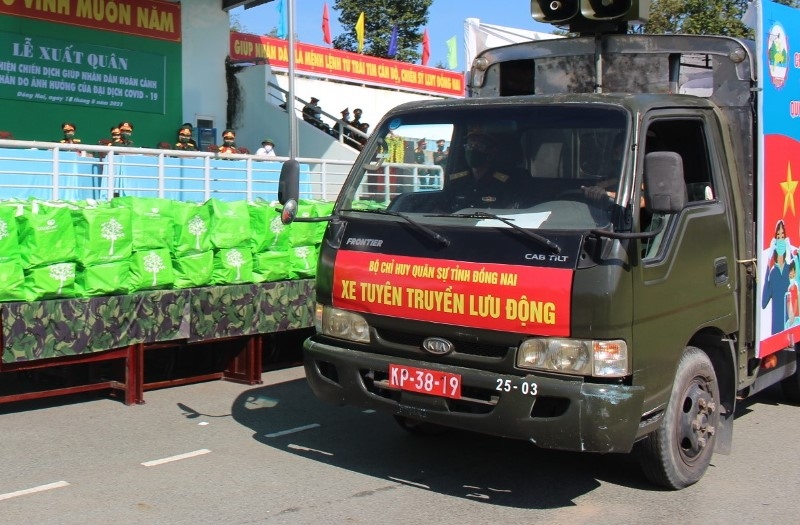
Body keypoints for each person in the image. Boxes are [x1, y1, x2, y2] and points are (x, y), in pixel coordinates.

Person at [444, 132, 526, 210]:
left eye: (478, 146)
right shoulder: (457, 181)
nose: (472, 150)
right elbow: (443, 209)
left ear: (490, 153)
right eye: (469, 146)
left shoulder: (504, 183)